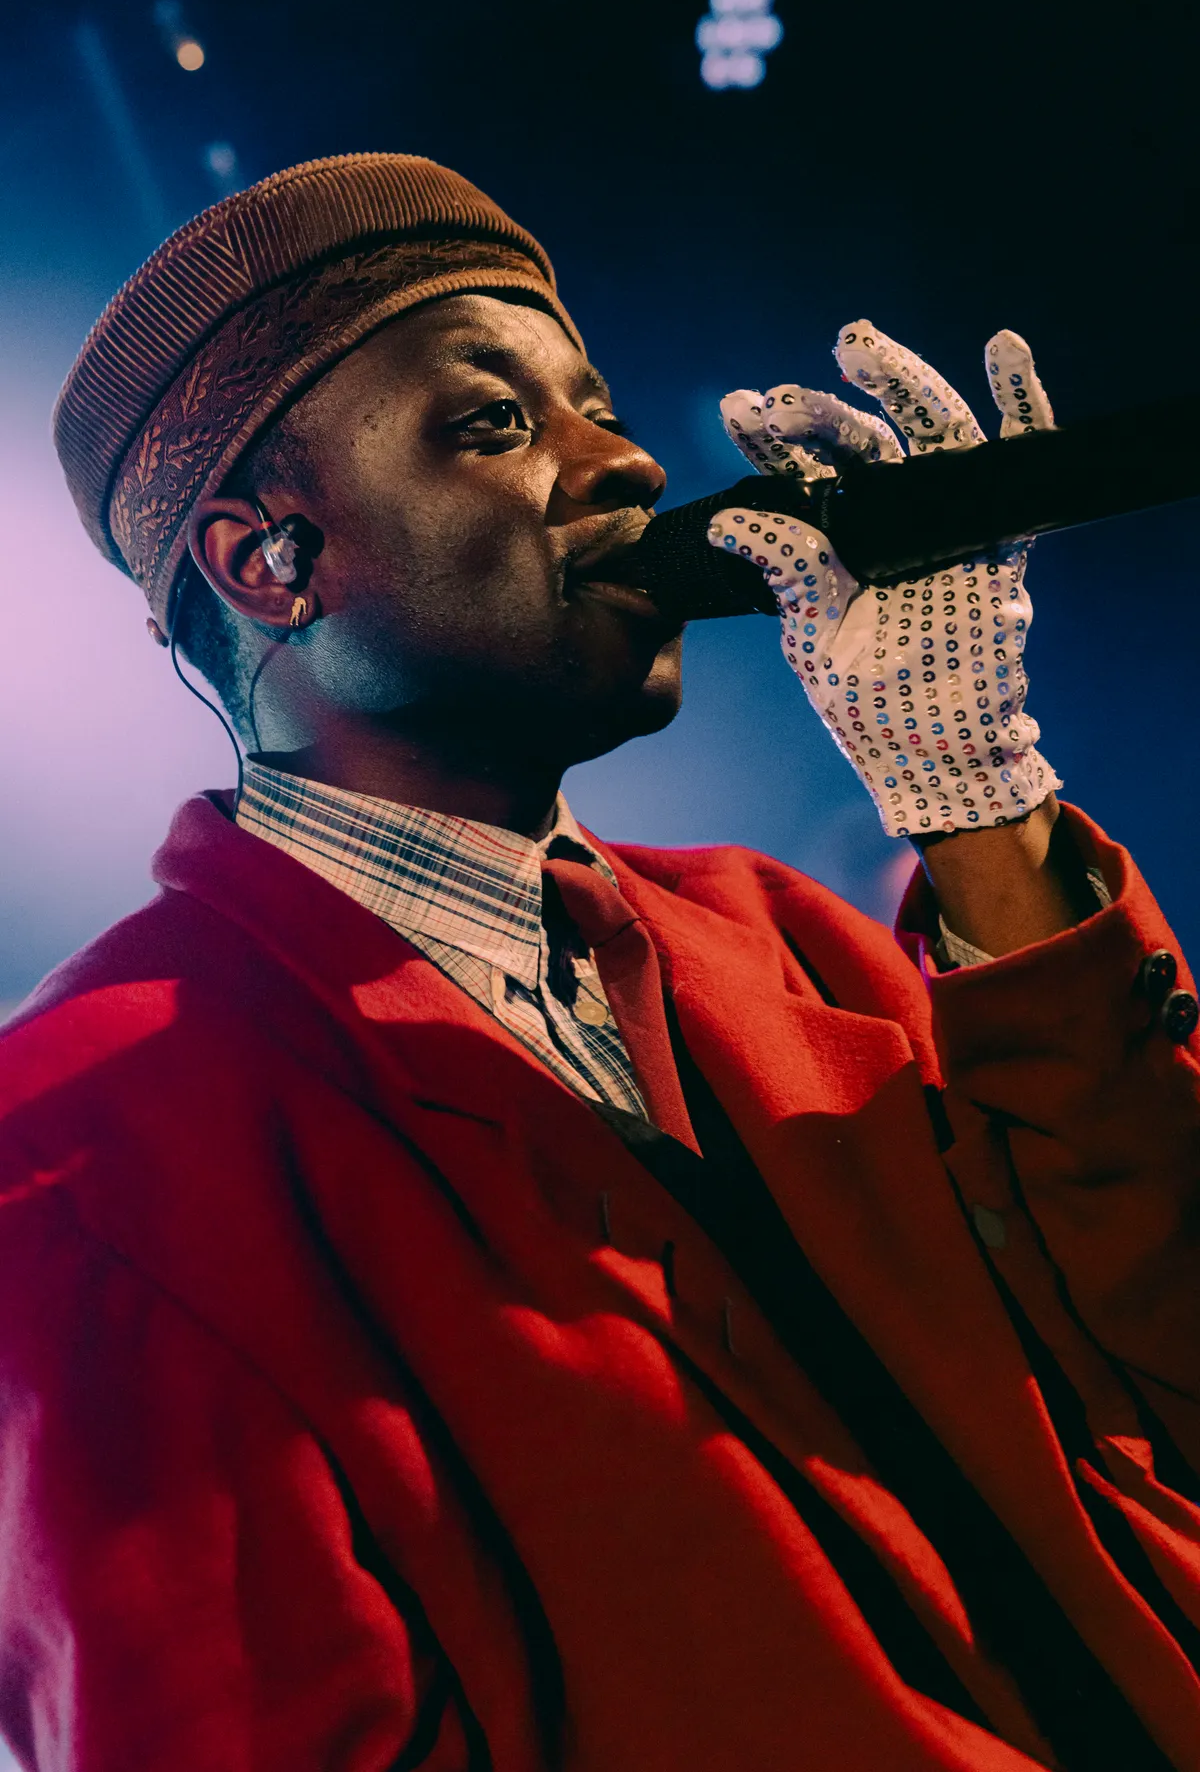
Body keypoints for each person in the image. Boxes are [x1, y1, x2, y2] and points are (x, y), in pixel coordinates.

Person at [2, 151, 1199, 1772]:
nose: (627, 463)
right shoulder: (81, 1153)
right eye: (496, 422)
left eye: (599, 407)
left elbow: (1167, 1370)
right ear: (266, 560)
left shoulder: (788, 941)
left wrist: (976, 797)